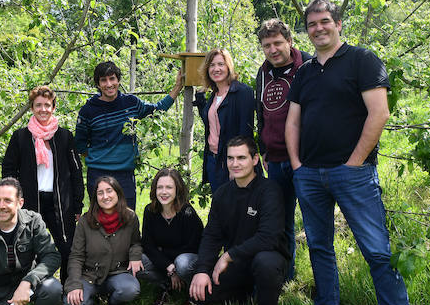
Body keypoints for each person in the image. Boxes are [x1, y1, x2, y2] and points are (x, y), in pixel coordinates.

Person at [285, 0, 422, 305]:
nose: (318, 29)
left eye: (325, 21)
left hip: (354, 174)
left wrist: (354, 163)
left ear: (339, 23)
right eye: (312, 24)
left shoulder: (363, 60)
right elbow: (293, 121)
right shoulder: (305, 72)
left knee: (377, 252)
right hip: (310, 175)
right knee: (319, 246)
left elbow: (379, 113)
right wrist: (298, 165)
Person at [188, 136, 288, 305]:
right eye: (230, 158)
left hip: (267, 259)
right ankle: (242, 292)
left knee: (265, 263)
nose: (235, 164)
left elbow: (268, 237)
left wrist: (228, 255)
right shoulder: (222, 194)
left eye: (241, 158)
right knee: (198, 294)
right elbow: (211, 236)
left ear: (255, 159)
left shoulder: (269, 190)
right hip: (238, 264)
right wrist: (202, 271)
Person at [2, 85, 84, 285]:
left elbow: (76, 172)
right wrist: (14, 200)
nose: (43, 109)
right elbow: (9, 171)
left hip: (60, 202)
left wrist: (77, 204)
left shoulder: (64, 137)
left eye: (47, 105)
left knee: (66, 247)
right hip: (30, 201)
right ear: (32, 108)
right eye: (38, 105)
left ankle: (67, 289)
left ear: (54, 107)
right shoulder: (20, 137)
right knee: (31, 247)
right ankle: (35, 291)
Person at [75, 61, 184, 209]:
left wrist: (177, 87)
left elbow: (158, 109)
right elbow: (80, 146)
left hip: (125, 175)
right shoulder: (88, 111)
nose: (109, 84)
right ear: (98, 84)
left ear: (118, 80)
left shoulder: (131, 103)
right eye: (103, 80)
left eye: (112, 78)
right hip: (98, 175)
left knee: (128, 221)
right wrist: (102, 159)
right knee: (99, 222)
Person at [254, 18, 312, 282]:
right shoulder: (263, 73)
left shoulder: (309, 67)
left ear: (289, 41)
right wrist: (263, 147)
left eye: (278, 43)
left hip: (307, 159)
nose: (273, 49)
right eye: (267, 45)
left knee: (314, 224)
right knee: (281, 222)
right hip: (275, 161)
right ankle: (286, 277)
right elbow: (261, 113)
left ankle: (320, 283)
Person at [63, 176, 143, 305]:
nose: (105, 196)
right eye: (100, 193)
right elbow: (76, 256)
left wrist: (135, 255)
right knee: (71, 304)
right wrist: (75, 284)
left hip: (117, 272)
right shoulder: (85, 221)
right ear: (95, 197)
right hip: (90, 275)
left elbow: (136, 242)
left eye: (109, 191)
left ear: (117, 193)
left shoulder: (130, 217)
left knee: (130, 289)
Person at [138, 168, 204, 305]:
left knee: (182, 262)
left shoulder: (187, 213)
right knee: (138, 262)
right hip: (167, 265)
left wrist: (165, 257)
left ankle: (191, 290)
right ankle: (166, 286)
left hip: (187, 261)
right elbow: (148, 245)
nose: (163, 192)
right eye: (160, 187)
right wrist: (168, 267)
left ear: (177, 190)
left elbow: (193, 246)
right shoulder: (150, 211)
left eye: (169, 187)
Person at [194, 49, 255, 193]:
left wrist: (237, 164)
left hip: (231, 161)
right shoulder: (214, 95)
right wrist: (201, 101)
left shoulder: (242, 92)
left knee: (237, 206)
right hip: (213, 160)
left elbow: (245, 133)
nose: (216, 69)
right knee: (220, 205)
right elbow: (212, 126)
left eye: (221, 64)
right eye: (212, 65)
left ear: (228, 66)